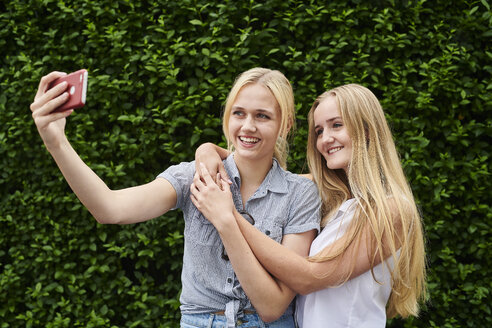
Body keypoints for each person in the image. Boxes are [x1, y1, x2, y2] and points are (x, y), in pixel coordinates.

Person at [30, 68, 321, 327]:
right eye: (239, 113)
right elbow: (110, 208)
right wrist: (56, 142)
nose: (247, 127)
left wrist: (226, 219)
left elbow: (271, 308)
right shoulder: (193, 175)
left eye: (262, 116)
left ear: (285, 124)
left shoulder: (301, 194)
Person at [191, 83, 427, 327]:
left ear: (367, 129)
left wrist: (229, 215)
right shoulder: (329, 193)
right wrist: (207, 150)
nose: (326, 139)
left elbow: (310, 278)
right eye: (319, 131)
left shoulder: (393, 210)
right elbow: (253, 166)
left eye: (336, 125)